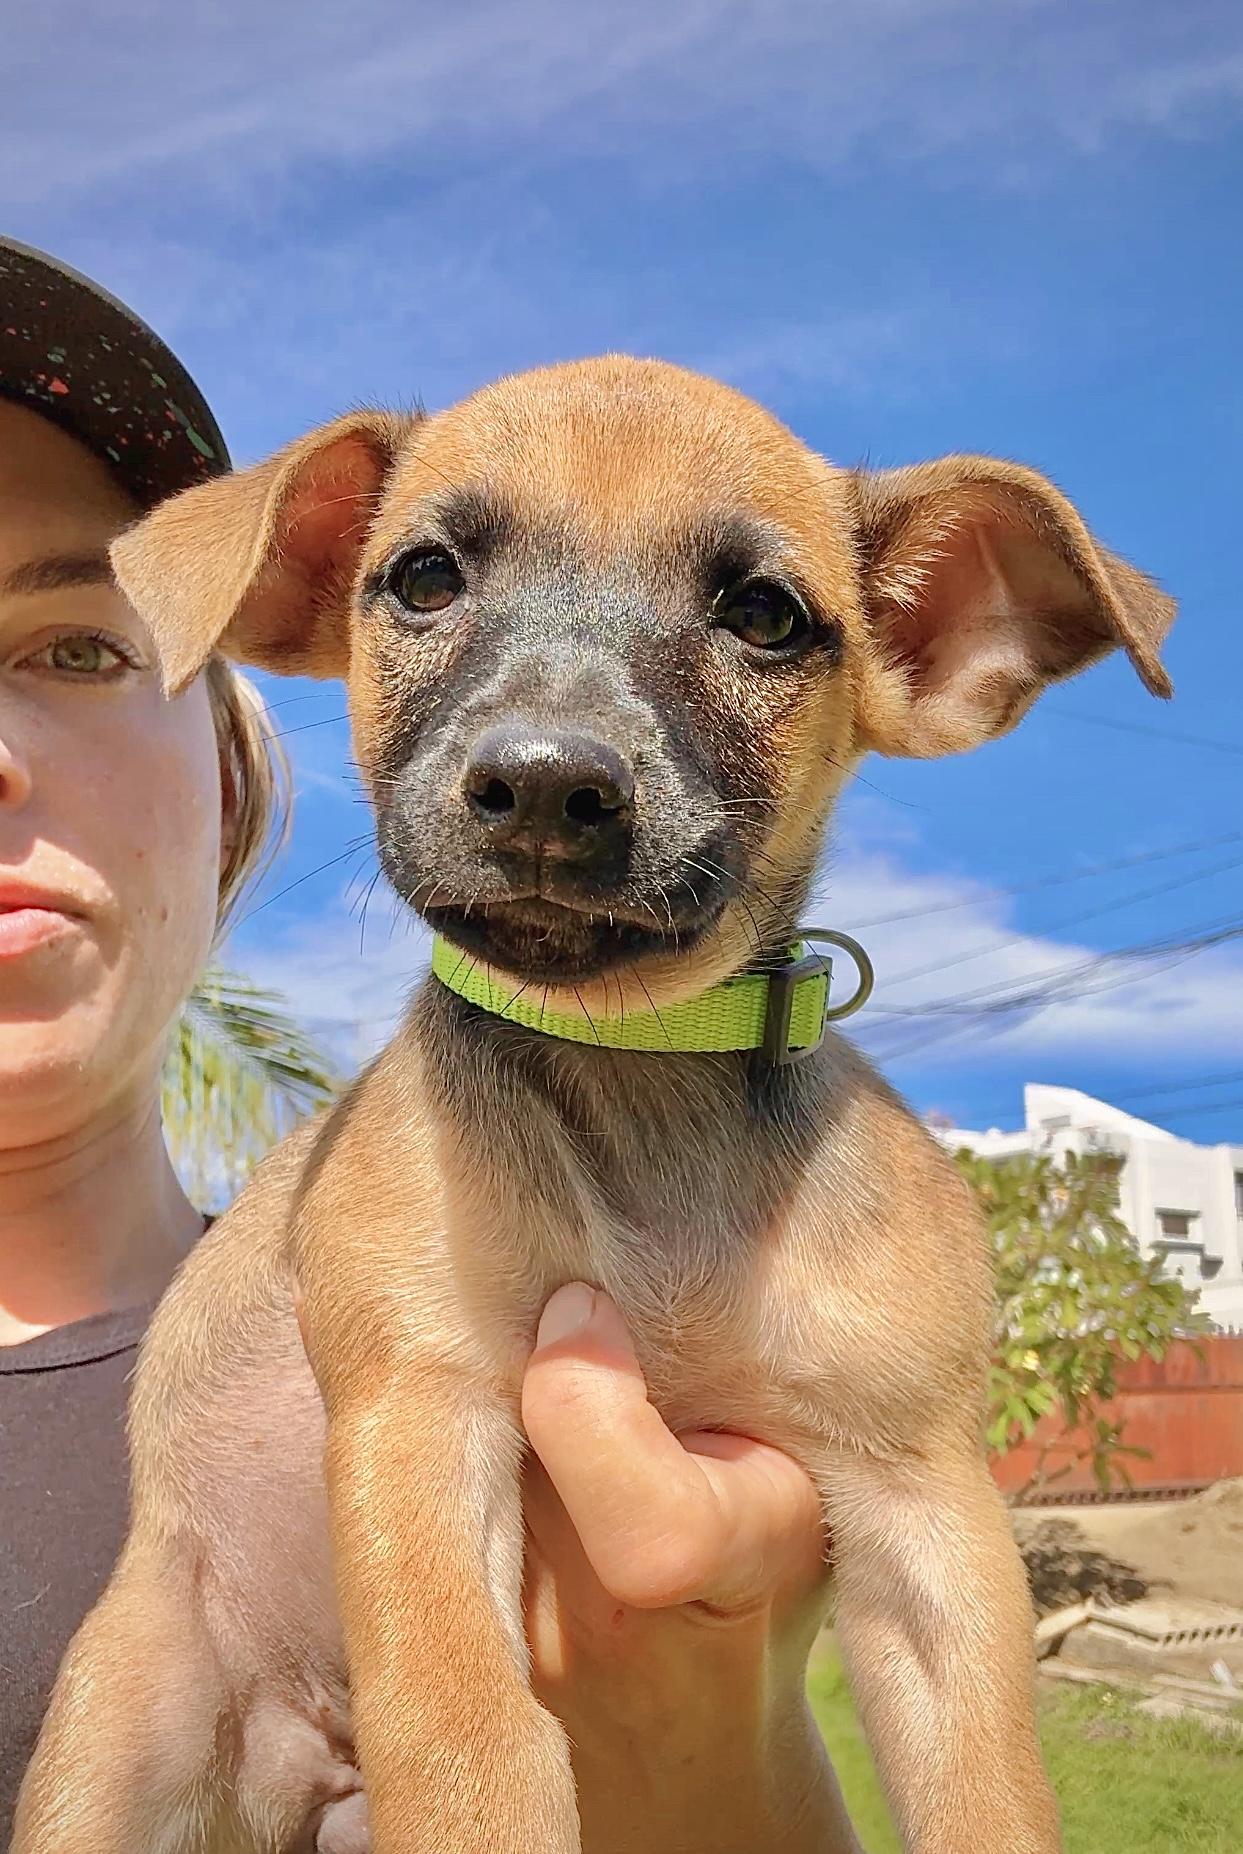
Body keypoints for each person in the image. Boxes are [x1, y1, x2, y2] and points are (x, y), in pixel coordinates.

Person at [0, 239, 850, 1852]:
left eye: (82, 646)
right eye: (440, 583)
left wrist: (703, 1750)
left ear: (237, 777)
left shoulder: (523, 1340)